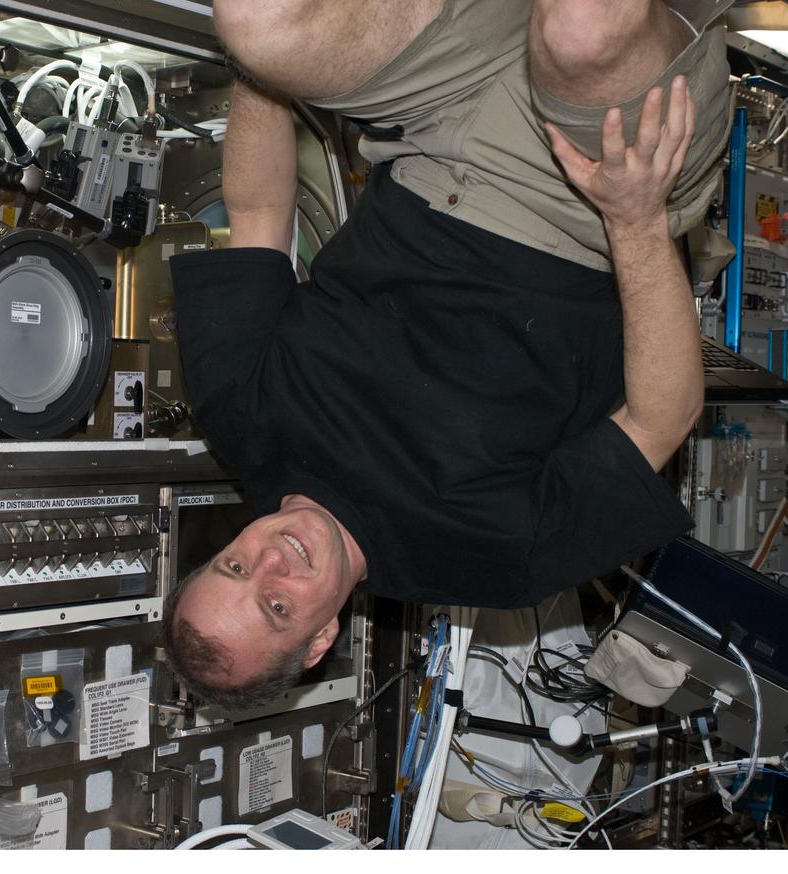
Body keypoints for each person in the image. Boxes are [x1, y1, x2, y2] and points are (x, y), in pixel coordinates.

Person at [163, 0, 733, 710]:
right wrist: (640, 220)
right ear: (319, 641)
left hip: (419, 129)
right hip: (582, 203)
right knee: (581, 29)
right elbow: (663, 417)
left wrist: (267, 67)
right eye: (277, 606)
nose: (272, 561)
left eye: (236, 564)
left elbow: (256, 214)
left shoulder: (239, 416)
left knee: (254, 23)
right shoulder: (492, 560)